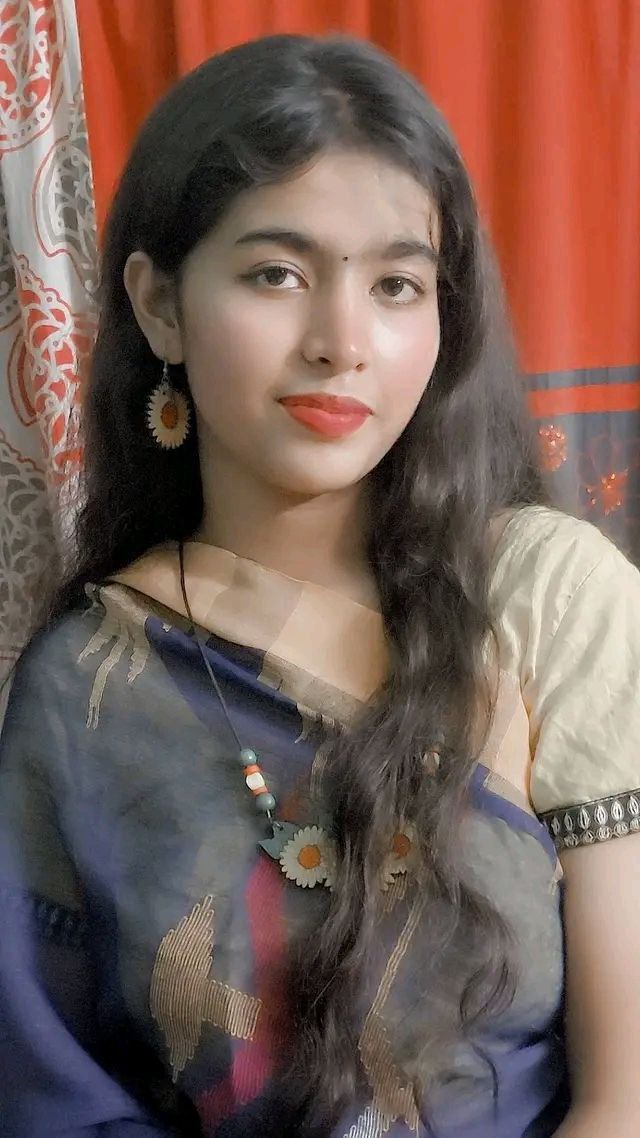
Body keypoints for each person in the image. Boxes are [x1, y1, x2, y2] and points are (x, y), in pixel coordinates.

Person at [0, 31, 638, 1138]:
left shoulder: (544, 594)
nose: (343, 342)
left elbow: (624, 1099)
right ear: (159, 306)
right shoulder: (87, 684)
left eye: (396, 284)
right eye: (276, 274)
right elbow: (49, 1090)